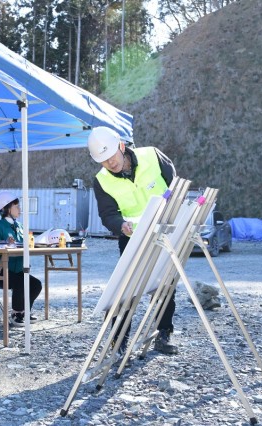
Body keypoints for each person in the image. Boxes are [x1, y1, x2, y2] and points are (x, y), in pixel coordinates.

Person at [88, 126, 178, 355]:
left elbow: (174, 185)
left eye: (111, 157)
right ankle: (119, 342)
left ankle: (163, 333)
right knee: (125, 290)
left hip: (163, 233)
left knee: (165, 285)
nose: (110, 164)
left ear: (121, 146)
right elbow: (108, 214)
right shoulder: (102, 181)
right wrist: (120, 226)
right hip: (132, 238)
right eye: (103, 161)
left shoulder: (152, 156)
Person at [0, 191, 42, 327]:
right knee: (21, 282)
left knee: (36, 284)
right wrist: (5, 244)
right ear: (6, 209)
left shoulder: (20, 227)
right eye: (16, 206)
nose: (20, 209)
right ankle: (16, 313)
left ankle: (24, 312)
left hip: (16, 270)